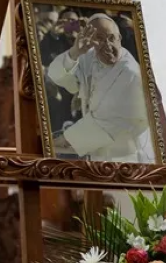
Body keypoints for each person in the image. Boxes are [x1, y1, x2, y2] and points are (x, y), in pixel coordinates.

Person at [47, 13, 149, 162]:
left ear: (120, 38)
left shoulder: (129, 73)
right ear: (91, 40)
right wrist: (74, 52)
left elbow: (106, 120)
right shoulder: (89, 57)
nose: (108, 45)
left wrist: (60, 141)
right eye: (100, 39)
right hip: (97, 154)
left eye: (112, 38)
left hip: (125, 158)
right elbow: (57, 75)